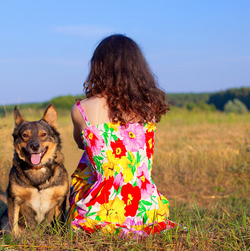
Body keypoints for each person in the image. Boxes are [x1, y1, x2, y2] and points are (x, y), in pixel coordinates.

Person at [68, 34, 177, 237]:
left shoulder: (81, 110)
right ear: (138, 69)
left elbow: (80, 145)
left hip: (101, 210)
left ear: (98, 67)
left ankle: (92, 211)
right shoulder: (148, 109)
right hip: (147, 207)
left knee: (86, 164)